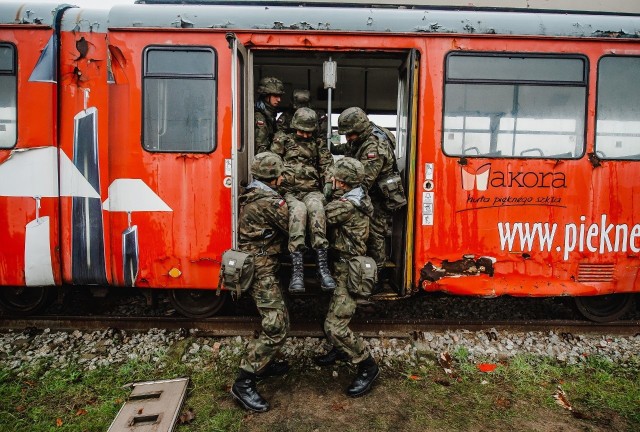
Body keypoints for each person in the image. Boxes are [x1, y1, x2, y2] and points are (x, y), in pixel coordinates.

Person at [314, 157, 380, 397]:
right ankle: (340, 351)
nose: (332, 180)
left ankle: (367, 365)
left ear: (342, 182)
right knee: (332, 310)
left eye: (335, 178)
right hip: (343, 265)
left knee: (334, 325)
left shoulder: (346, 206)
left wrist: (322, 192)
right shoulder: (357, 195)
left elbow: (319, 215)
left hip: (348, 269)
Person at [230, 152, 291, 413]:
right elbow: (292, 225)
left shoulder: (255, 193)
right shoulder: (268, 202)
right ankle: (244, 382)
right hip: (261, 270)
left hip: (262, 266)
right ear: (274, 178)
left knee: (279, 319)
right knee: (277, 326)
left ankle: (264, 364)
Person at [271, 107, 336, 294]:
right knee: (298, 211)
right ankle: (296, 272)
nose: (305, 135)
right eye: (301, 131)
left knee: (316, 208)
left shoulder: (318, 143)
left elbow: (327, 164)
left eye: (308, 132)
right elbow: (272, 162)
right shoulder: (283, 139)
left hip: (311, 191)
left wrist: (329, 182)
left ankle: (322, 269)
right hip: (289, 192)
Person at [332, 107, 400, 283]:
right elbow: (350, 146)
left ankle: (376, 278)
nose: (348, 138)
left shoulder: (374, 147)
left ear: (360, 128)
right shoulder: (363, 135)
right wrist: (332, 148)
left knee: (375, 236)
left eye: (351, 134)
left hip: (379, 197)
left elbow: (363, 181)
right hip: (371, 194)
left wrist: (338, 193)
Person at [255, 77, 285, 154]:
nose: (279, 100)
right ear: (266, 96)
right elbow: (260, 150)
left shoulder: (269, 115)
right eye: (275, 96)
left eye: (280, 96)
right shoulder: (260, 117)